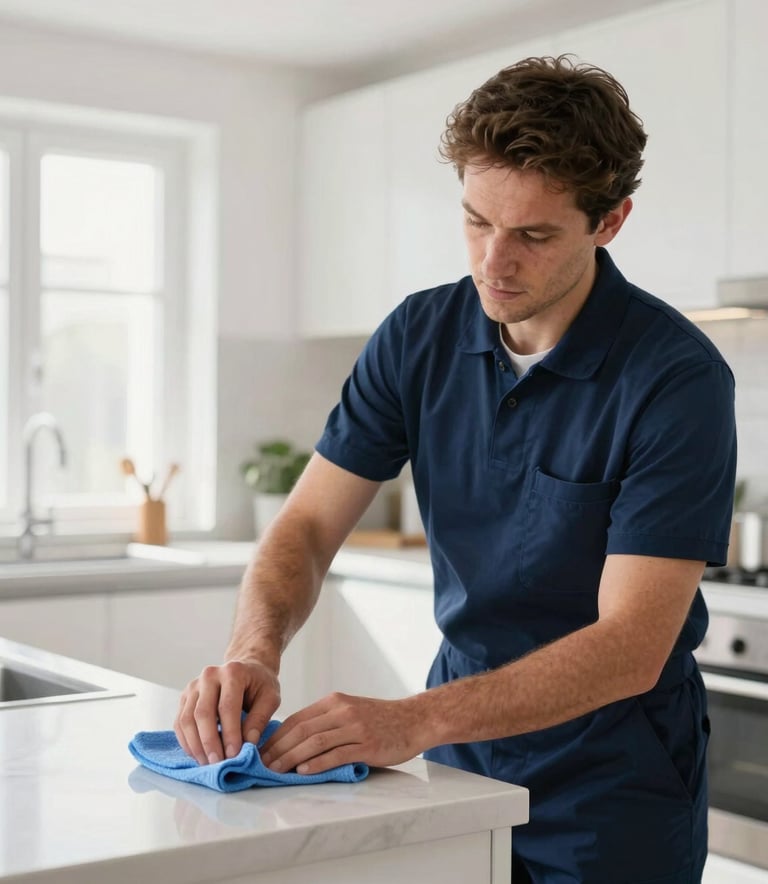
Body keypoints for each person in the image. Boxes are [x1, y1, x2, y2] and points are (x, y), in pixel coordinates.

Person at [175, 55, 736, 883]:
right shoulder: (418, 336)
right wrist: (255, 651)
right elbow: (304, 526)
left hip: (613, 782)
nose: (493, 263)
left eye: (534, 236)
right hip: (456, 755)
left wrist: (410, 720)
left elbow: (630, 648)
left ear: (609, 222)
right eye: (476, 220)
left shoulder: (675, 378)